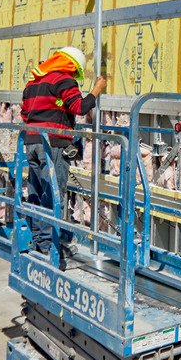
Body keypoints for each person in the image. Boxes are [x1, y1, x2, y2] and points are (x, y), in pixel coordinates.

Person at [20, 46, 107, 259]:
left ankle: (40, 242)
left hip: (32, 142)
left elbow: (24, 114)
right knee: (53, 194)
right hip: (52, 144)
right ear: (71, 66)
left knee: (38, 193)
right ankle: (51, 247)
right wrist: (97, 89)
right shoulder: (64, 80)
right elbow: (79, 107)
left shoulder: (34, 83)